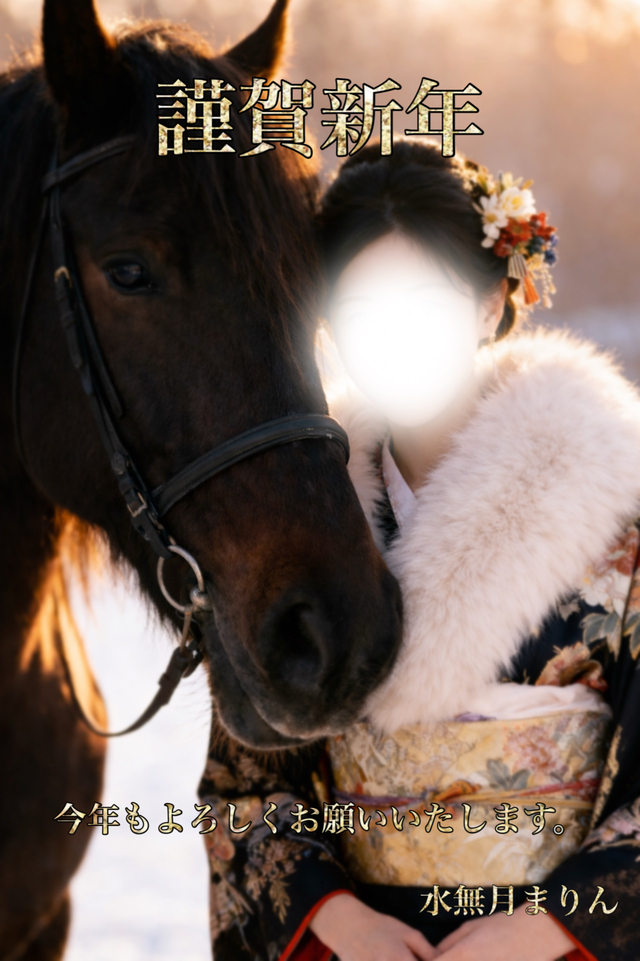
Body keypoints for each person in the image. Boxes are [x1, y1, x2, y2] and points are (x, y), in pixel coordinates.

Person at [197, 139, 640, 961]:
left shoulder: (620, 511)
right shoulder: (291, 521)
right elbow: (244, 783)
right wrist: (338, 918)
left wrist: (542, 927)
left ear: (488, 302)